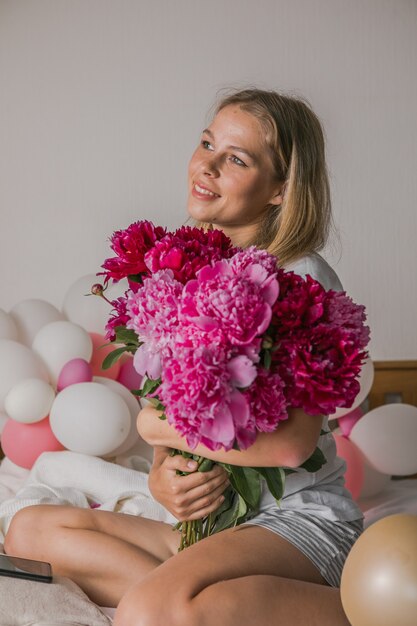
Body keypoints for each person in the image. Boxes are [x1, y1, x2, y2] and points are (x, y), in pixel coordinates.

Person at [4, 88, 363, 626]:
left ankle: (361, 608)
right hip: (220, 529)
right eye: (207, 143)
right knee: (28, 531)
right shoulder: (187, 268)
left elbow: (292, 446)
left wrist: (159, 432)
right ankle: (208, 600)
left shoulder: (301, 275)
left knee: (148, 612)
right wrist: (159, 478)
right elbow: (174, 404)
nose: (208, 166)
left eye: (237, 159)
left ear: (279, 190)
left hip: (295, 523)